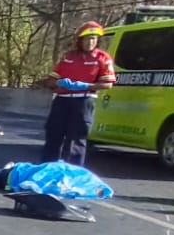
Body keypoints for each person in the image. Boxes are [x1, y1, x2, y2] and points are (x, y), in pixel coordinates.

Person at [39, 22, 116, 166]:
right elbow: (51, 80)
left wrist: (86, 86)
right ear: (79, 40)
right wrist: (58, 83)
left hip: (84, 101)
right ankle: (47, 170)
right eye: (87, 39)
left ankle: (73, 174)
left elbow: (108, 84)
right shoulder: (68, 57)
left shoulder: (102, 58)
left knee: (76, 140)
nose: (90, 42)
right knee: (53, 136)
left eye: (93, 39)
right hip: (62, 100)